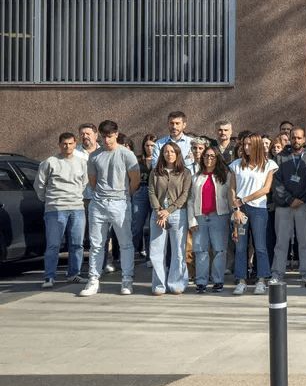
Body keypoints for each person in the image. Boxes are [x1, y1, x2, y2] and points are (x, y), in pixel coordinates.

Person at [78, 120, 139, 296]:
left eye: (110, 136)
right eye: (104, 137)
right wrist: (102, 196)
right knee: (96, 244)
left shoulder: (127, 154)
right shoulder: (95, 155)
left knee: (125, 243)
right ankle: (93, 280)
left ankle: (127, 279)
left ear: (117, 134)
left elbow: (134, 180)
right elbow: (92, 181)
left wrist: (125, 196)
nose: (107, 140)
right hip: (98, 203)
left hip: (120, 202)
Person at [35, 132, 89, 289]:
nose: (68, 146)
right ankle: (49, 277)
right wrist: (49, 201)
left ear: (75, 144)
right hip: (55, 209)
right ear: (59, 144)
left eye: (71, 143)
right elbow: (39, 185)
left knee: (77, 244)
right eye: (64, 143)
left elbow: (85, 184)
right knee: (53, 245)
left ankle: (74, 274)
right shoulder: (49, 162)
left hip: (77, 208)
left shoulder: (82, 163)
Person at [229, 133, 277, 296]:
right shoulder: (236, 164)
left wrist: (245, 199)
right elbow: (232, 189)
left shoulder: (268, 164)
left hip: (258, 210)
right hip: (240, 211)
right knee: (241, 246)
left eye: (250, 144)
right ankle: (241, 280)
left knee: (260, 246)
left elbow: (266, 189)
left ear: (257, 145)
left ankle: (261, 280)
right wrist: (236, 209)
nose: (246, 147)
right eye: (244, 144)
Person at [272, 127, 306, 288]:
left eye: (299, 138)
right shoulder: (280, 157)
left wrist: (302, 199)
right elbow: (276, 182)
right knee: (281, 241)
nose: (296, 141)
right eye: (293, 138)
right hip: (284, 206)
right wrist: (289, 199)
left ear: (304, 139)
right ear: (289, 139)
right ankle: (277, 273)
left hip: (304, 205)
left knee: (305, 240)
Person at [147, 141, 192, 296]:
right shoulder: (155, 172)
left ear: (177, 154)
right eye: (166, 151)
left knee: (178, 250)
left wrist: (168, 211)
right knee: (156, 251)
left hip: (178, 214)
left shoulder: (185, 172)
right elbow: (151, 192)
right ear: (162, 154)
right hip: (158, 214)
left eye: (172, 151)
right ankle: (159, 285)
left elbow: (184, 195)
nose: (169, 154)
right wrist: (159, 210)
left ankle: (176, 283)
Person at [188, 146, 231, 293]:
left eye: (212, 156)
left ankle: (218, 280)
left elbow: (230, 197)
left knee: (219, 250)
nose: (209, 158)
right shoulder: (196, 176)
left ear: (217, 158)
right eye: (206, 156)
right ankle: (201, 282)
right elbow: (190, 199)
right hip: (200, 217)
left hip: (219, 216)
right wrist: (191, 219)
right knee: (201, 250)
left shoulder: (225, 176)